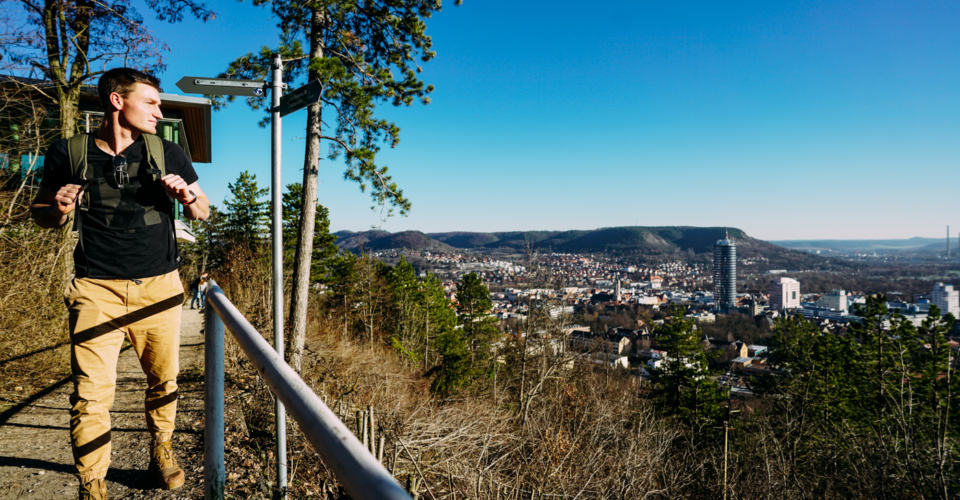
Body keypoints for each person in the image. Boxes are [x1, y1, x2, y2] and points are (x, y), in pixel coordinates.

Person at [30, 67, 210, 500]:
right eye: (150, 102)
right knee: (91, 395)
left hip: (160, 287)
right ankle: (92, 481)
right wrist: (57, 208)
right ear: (117, 101)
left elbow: (203, 210)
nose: (158, 110)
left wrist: (186, 196)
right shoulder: (68, 152)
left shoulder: (167, 152)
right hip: (96, 290)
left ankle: (162, 448)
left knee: (164, 381)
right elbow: (41, 216)